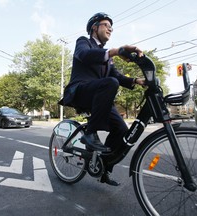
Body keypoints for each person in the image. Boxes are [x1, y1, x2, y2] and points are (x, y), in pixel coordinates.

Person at [59, 12, 145, 186]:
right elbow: (84, 55)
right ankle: (90, 133)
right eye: (106, 25)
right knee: (110, 83)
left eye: (111, 27)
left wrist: (136, 81)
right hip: (81, 91)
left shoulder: (107, 57)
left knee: (121, 129)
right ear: (94, 27)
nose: (110, 29)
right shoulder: (84, 42)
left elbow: (117, 76)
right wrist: (114, 51)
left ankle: (103, 166)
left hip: (100, 96)